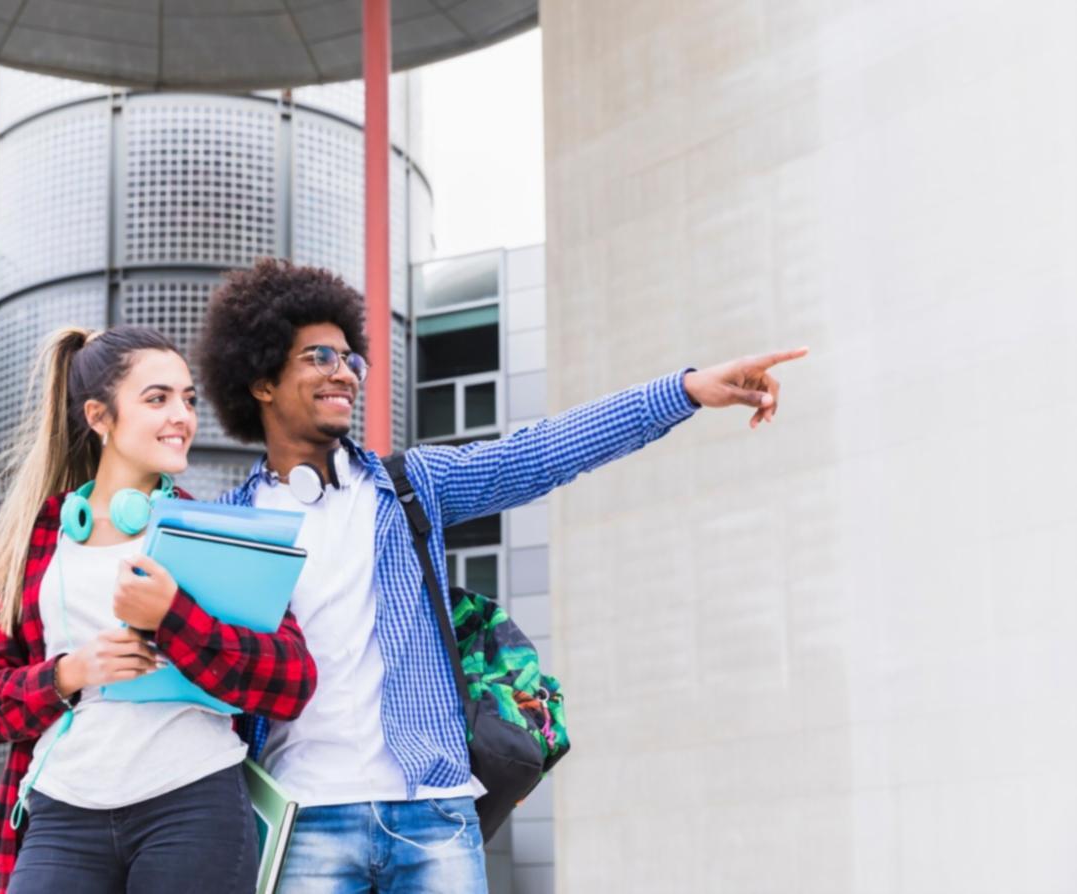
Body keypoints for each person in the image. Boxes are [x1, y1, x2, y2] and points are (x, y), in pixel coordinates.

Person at [195, 258, 808, 892]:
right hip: (303, 821)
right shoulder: (232, 529)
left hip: (432, 814)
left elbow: (542, 453)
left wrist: (684, 390)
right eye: (318, 356)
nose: (343, 373)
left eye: (351, 359)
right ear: (261, 380)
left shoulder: (411, 487)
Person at [0, 325, 318, 894]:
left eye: (188, 399)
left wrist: (173, 617)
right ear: (99, 416)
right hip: (62, 809)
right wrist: (72, 672)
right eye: (158, 398)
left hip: (193, 804)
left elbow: (292, 681)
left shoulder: (216, 534)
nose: (182, 415)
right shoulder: (32, 544)